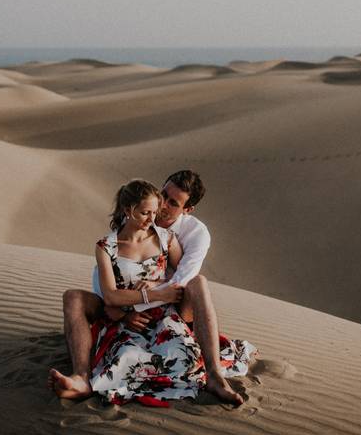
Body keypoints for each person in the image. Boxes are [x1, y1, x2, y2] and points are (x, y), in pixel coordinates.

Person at [48, 172, 255, 405]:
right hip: (121, 302)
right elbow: (104, 282)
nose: (162, 206)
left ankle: (215, 375)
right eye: (163, 195)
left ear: (187, 209)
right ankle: (81, 378)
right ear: (130, 209)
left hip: (168, 304)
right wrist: (118, 309)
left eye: (172, 203)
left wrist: (151, 292)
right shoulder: (114, 238)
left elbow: (183, 279)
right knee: (73, 297)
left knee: (200, 283)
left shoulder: (188, 235)